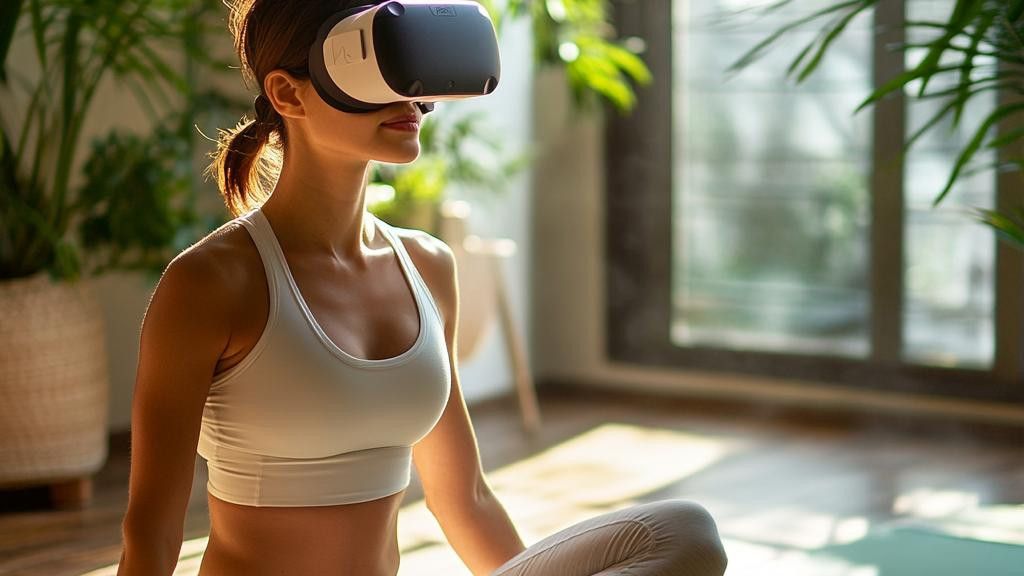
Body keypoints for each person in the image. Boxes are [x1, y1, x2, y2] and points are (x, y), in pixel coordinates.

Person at [115, 1, 729, 575]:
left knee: (681, 532)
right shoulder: (209, 284)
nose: (407, 94)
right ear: (287, 93)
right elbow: (152, 531)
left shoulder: (428, 265)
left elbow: (464, 498)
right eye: (375, 68)